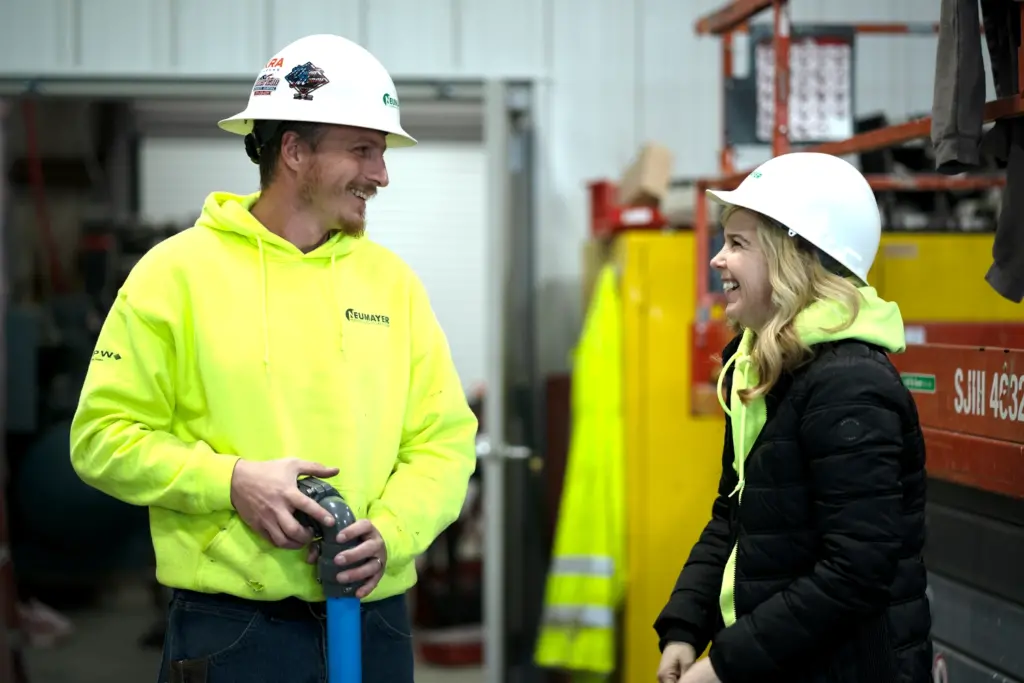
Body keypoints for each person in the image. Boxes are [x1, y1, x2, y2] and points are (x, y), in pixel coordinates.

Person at [69, 33, 478, 683]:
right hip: (234, 631)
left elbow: (446, 440)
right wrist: (230, 480)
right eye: (363, 150)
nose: (382, 174)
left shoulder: (391, 283)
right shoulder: (174, 276)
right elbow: (100, 438)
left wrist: (394, 530)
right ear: (294, 150)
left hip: (376, 619)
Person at [654, 152, 932, 683]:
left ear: (795, 260)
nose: (718, 259)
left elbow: (854, 572)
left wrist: (725, 665)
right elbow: (734, 515)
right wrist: (686, 625)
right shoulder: (767, 365)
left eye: (738, 244)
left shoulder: (850, 386)